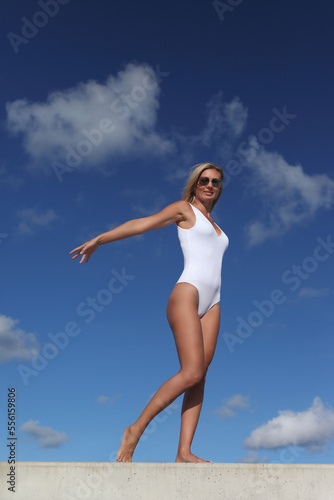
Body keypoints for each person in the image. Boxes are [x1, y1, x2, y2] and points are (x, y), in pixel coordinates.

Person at [70, 162, 229, 463]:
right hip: (189, 293)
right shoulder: (184, 209)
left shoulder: (216, 225)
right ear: (195, 184)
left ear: (220, 188)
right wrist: (100, 239)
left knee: (200, 377)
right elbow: (143, 223)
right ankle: (135, 429)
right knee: (191, 371)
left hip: (214, 301)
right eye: (204, 180)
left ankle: (184, 452)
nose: (209, 185)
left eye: (216, 182)